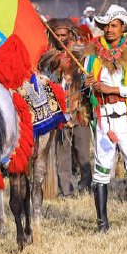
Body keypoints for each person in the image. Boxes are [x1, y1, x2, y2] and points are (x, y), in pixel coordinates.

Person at [83, 5, 127, 231]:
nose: (109, 30)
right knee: (101, 170)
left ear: (122, 28)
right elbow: (86, 87)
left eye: (114, 25)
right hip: (102, 117)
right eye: (106, 26)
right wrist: (88, 85)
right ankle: (102, 223)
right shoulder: (91, 54)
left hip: (125, 116)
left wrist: (113, 90)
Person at [40, 18, 93, 196]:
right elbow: (46, 82)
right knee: (62, 155)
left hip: (80, 111)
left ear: (70, 34)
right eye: (58, 35)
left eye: (64, 35)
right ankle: (66, 189)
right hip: (60, 114)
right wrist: (57, 69)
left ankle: (86, 187)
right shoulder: (48, 57)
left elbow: (88, 76)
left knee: (83, 152)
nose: (61, 38)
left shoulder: (80, 52)